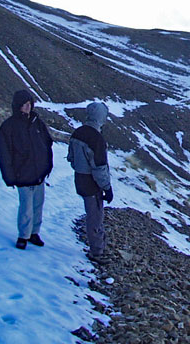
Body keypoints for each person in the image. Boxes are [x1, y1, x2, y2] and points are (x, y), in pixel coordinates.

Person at [0, 90, 53, 250]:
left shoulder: (37, 122)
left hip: (39, 173)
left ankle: (34, 233)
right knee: (26, 208)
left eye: (30, 104)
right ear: (17, 106)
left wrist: (47, 164)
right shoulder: (9, 127)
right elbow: (4, 154)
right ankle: (23, 236)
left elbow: (47, 142)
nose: (28, 107)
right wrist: (9, 177)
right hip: (23, 174)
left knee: (38, 205)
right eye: (24, 104)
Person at [67, 102, 113, 264]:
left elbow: (71, 158)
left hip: (79, 178)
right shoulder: (96, 139)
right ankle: (97, 252)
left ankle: (96, 247)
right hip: (92, 183)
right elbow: (99, 168)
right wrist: (107, 188)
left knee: (91, 213)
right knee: (95, 216)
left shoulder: (77, 133)